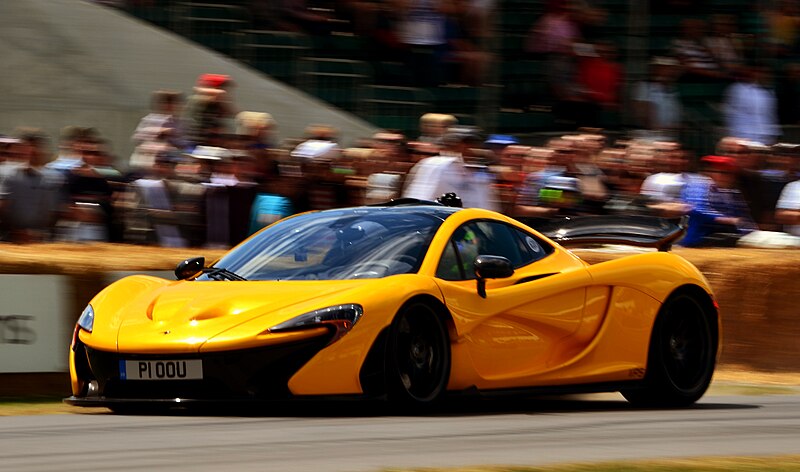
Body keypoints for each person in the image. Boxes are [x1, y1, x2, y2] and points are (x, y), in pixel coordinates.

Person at [403, 125, 498, 210]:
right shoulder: (435, 165)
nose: (468, 147)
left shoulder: (482, 175)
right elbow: (419, 200)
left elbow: (487, 209)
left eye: (473, 143)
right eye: (465, 143)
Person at [0, 128, 67, 242]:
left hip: (41, 239)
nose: (31, 151)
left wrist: (39, 233)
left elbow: (55, 211)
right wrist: (15, 231)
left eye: (35, 146)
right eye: (27, 146)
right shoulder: (5, 173)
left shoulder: (54, 177)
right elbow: (3, 206)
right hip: (9, 238)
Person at [679, 155, 757, 247]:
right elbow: (695, 210)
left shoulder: (734, 194)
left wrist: (752, 232)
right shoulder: (696, 188)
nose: (720, 176)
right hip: (697, 241)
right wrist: (725, 220)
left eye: (726, 173)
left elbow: (744, 219)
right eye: (714, 171)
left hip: (728, 242)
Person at [722, 64, 780, 146]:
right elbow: (732, 116)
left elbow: (769, 116)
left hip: (765, 138)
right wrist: (738, 138)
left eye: (766, 73)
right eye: (761, 72)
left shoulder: (767, 92)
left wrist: (772, 135)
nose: (765, 76)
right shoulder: (737, 90)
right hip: (745, 138)